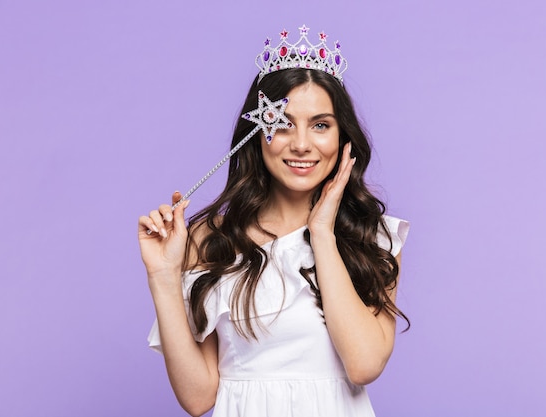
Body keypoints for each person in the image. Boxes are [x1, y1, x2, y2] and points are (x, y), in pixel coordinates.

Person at [138, 24, 410, 417]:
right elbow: (198, 398)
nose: (301, 144)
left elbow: (364, 364)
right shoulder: (210, 239)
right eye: (282, 124)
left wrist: (321, 234)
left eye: (320, 125)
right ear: (257, 132)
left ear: (342, 136)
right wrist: (163, 276)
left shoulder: (375, 238)